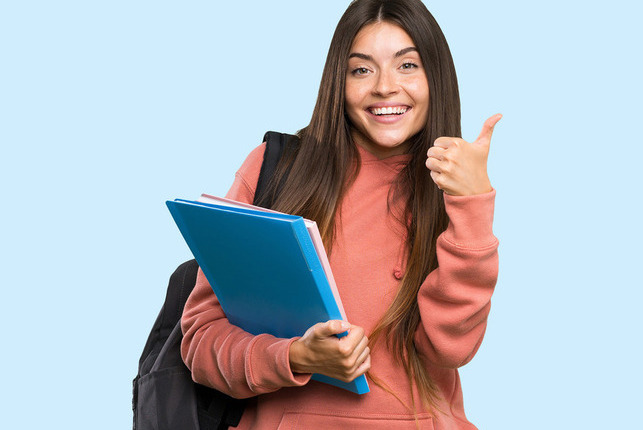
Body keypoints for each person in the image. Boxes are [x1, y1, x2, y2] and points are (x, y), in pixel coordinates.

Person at [180, 0, 501, 428]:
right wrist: (293, 356)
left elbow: (451, 348)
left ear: (436, 76)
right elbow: (201, 342)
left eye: (407, 65)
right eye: (362, 69)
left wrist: (473, 204)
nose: (385, 87)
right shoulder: (276, 171)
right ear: (339, 81)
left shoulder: (452, 183)